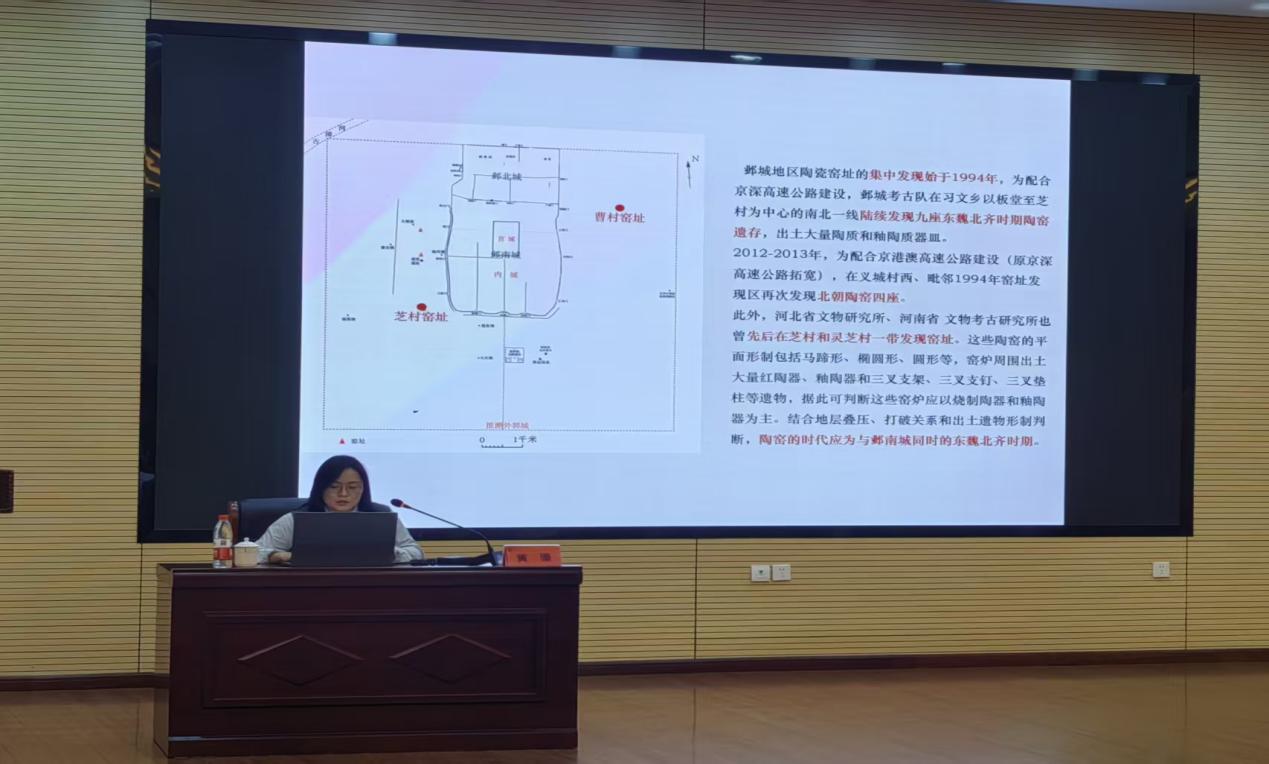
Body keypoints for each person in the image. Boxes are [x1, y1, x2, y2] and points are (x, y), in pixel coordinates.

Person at [257, 455, 424, 564]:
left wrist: (389, 553)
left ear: (363, 489)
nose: (343, 494)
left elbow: (416, 552)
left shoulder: (382, 517)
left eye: (352, 487)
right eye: (334, 486)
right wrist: (274, 555)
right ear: (321, 488)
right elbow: (252, 552)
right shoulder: (297, 519)